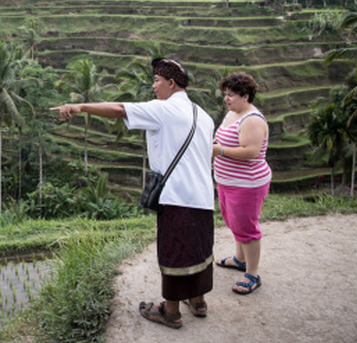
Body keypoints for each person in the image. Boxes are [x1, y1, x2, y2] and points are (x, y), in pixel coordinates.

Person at [52, 58, 215, 329]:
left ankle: (171, 311)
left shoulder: (165, 110)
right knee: (199, 249)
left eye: (156, 81)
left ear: (171, 83)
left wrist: (79, 106)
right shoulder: (204, 115)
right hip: (203, 195)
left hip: (176, 196)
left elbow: (119, 109)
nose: (153, 87)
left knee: (174, 251)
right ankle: (198, 301)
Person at [211, 72, 271, 295]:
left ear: (246, 96)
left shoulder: (252, 119)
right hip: (227, 181)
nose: (226, 99)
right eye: (225, 94)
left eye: (231, 95)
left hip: (248, 184)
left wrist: (219, 150)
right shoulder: (232, 114)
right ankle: (239, 259)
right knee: (234, 221)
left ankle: (252, 275)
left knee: (246, 228)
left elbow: (251, 152)